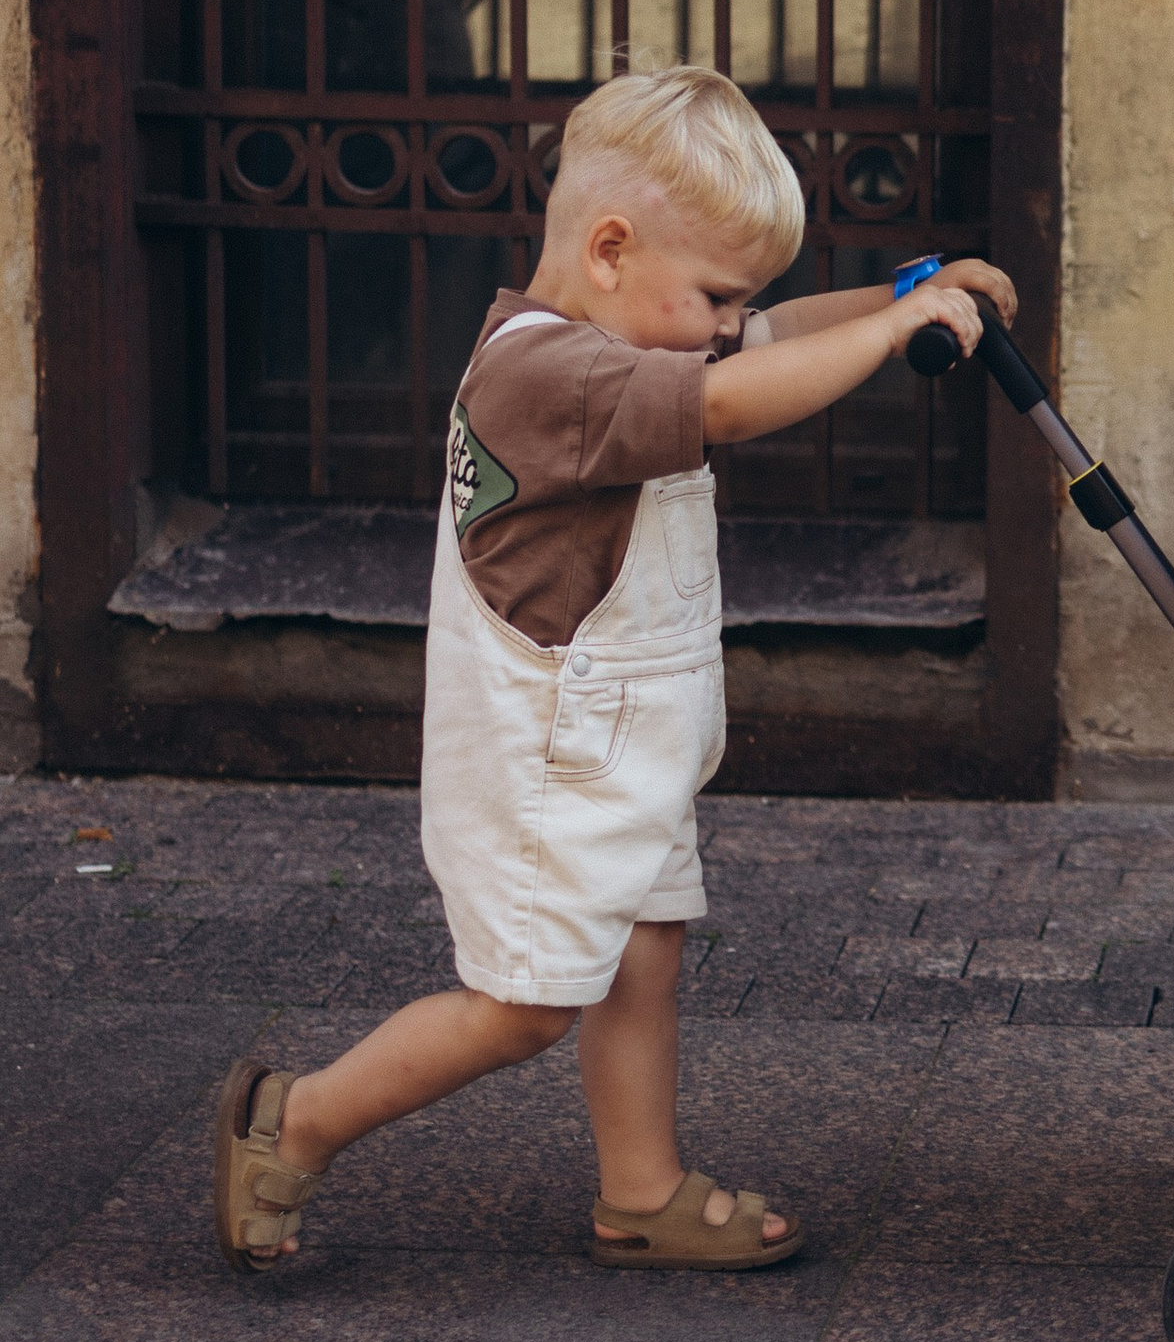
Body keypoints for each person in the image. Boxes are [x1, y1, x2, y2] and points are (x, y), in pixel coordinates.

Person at [213, 64, 1011, 1273]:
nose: (730, 323)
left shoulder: (621, 335)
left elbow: (766, 340)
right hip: (550, 755)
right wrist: (893, 333)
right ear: (608, 249)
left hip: (627, 736)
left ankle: (639, 1189)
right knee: (526, 1006)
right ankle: (296, 1120)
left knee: (646, 949)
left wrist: (907, 293)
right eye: (715, 294)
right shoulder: (548, 376)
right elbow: (730, 402)